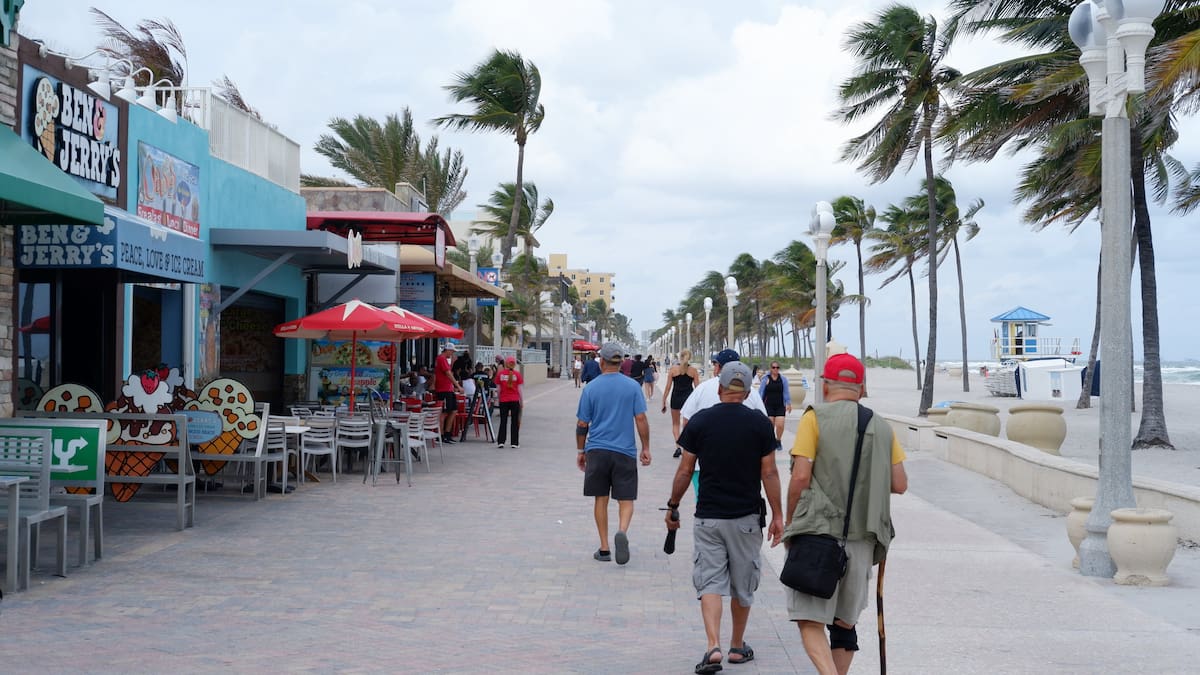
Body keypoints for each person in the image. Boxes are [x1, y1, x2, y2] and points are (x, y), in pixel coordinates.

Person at [784, 353, 908, 675]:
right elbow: (900, 483)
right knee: (843, 624)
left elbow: (800, 476)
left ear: (825, 386)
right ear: (862, 388)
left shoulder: (815, 418)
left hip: (817, 534)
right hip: (862, 541)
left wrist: (788, 522)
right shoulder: (881, 426)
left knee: (810, 619)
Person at [666, 362, 783, 674]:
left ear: (719, 389)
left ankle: (712, 645)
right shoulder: (760, 424)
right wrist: (778, 515)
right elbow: (769, 472)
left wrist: (673, 504)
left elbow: (685, 470)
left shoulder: (701, 421)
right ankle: (736, 646)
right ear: (746, 393)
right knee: (743, 584)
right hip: (746, 518)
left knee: (710, 581)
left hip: (709, 517)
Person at [576, 342, 651, 565]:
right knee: (626, 499)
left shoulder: (591, 388)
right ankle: (622, 531)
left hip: (597, 450)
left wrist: (581, 450)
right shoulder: (632, 387)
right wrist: (646, 447)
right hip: (625, 451)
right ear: (620, 363)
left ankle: (605, 547)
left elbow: (582, 423)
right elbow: (641, 419)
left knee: (601, 498)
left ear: (602, 362)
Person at [680, 350, 768, 491]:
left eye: (715, 364)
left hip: (703, 465)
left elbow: (686, 422)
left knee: (705, 502)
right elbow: (765, 427)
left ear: (719, 367)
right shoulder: (750, 391)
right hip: (744, 466)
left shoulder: (702, 388)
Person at [661, 349, 701, 456]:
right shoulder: (693, 371)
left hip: (676, 398)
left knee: (675, 424)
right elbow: (698, 389)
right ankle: (686, 446)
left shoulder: (673, 370)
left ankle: (678, 446)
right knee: (686, 424)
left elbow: (668, 387)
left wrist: (664, 401)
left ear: (680, 357)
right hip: (689, 399)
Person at [758, 361, 793, 451]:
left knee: (780, 424)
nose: (775, 369)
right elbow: (761, 392)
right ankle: (771, 441)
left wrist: (788, 403)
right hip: (768, 405)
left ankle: (778, 440)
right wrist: (759, 404)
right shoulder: (766, 379)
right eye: (773, 367)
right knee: (770, 425)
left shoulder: (783, 379)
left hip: (780, 405)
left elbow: (786, 392)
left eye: (777, 367)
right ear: (770, 368)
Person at [434, 344, 464, 444]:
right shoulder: (441, 359)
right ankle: (442, 435)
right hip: (444, 390)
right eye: (452, 352)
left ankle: (447, 433)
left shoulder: (443, 360)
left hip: (448, 389)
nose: (452, 354)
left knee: (453, 410)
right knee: (444, 412)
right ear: (447, 350)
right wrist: (458, 386)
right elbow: (448, 373)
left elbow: (448, 372)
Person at [494, 356, 524, 449]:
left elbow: (498, 390)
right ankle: (514, 443)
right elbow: (520, 390)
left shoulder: (500, 374)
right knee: (514, 422)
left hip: (503, 400)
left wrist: (499, 399)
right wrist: (521, 401)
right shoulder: (517, 375)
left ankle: (501, 442)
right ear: (514, 364)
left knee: (503, 421)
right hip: (515, 400)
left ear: (506, 364)